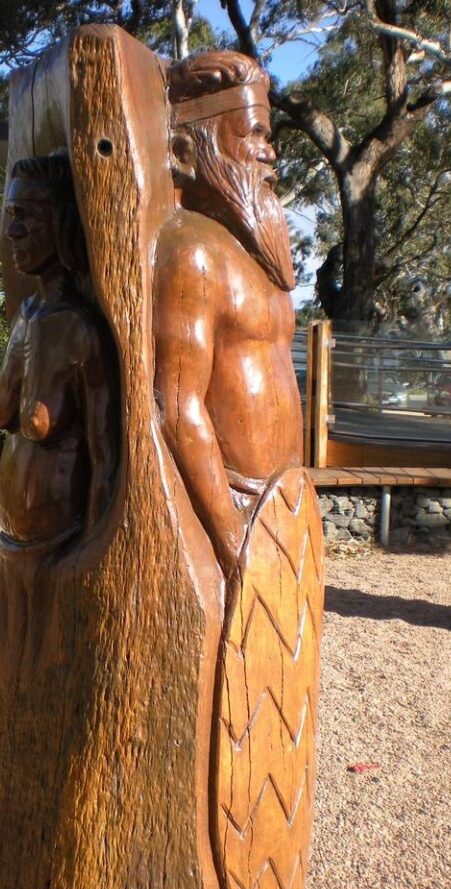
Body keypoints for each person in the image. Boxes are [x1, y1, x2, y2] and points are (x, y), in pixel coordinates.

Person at [154, 52, 302, 577]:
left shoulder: (266, 266)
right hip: (234, 510)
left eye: (269, 137)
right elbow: (176, 403)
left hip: (283, 503)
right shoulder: (190, 251)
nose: (270, 154)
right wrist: (230, 532)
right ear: (184, 152)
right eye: (254, 136)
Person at [0, 153, 118, 545]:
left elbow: (106, 461)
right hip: (15, 543)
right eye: (11, 215)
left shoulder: (81, 329)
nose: (12, 231)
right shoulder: (27, 315)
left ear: (62, 223)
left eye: (25, 215)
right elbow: (2, 411)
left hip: (61, 546)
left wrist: (92, 552)